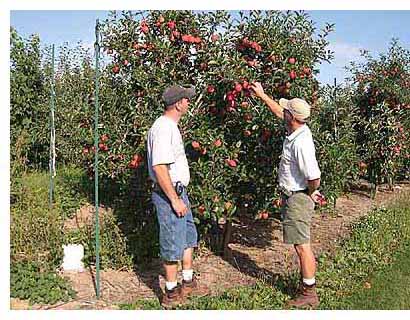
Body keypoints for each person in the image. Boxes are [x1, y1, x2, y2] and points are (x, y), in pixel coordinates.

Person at [251, 82, 322, 308]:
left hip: (298, 197)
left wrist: (311, 192)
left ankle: (309, 292)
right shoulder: (296, 129)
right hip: (295, 195)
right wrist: (262, 95)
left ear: (292, 116)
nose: (283, 112)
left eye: (286, 111)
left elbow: (313, 175)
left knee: (302, 245)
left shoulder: (301, 143)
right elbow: (278, 111)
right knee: (302, 244)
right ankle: (307, 286)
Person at [147, 84, 199, 308]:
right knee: (171, 243)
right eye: (186, 99)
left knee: (187, 236)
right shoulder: (163, 128)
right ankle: (170, 292)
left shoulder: (171, 127)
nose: (188, 102)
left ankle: (187, 281)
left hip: (179, 192)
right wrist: (174, 199)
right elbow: (159, 168)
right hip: (170, 195)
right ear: (178, 104)